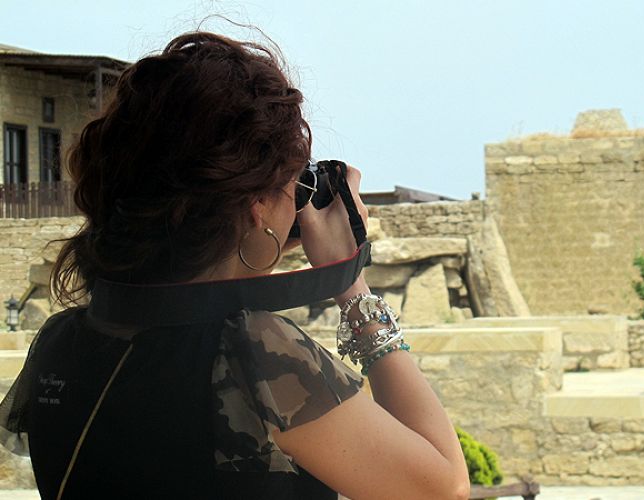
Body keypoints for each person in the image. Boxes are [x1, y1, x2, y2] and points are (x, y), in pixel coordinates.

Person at [0, 31, 470, 499]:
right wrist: (352, 285)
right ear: (256, 208)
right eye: (295, 184)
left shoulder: (62, 342)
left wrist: (253, 247)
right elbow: (442, 488)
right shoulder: (255, 350)